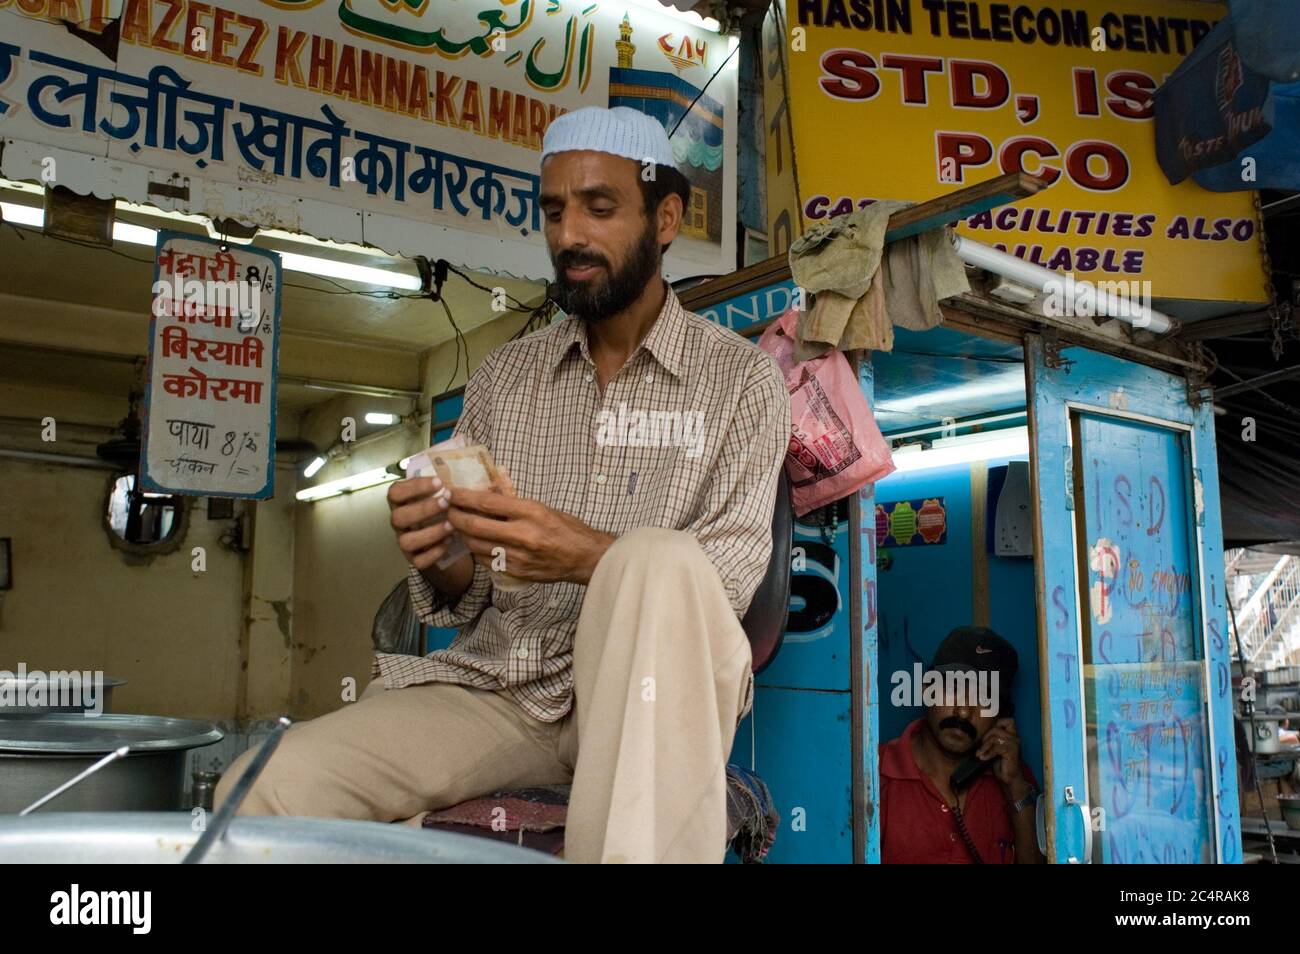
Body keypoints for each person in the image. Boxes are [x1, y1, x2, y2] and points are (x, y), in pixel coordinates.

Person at [214, 106, 790, 864]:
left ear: (667, 218)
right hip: (501, 694)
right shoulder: (505, 378)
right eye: (554, 211)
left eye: (600, 207)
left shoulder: (742, 379)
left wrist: (584, 554)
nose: (570, 236)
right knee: (258, 788)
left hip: (647, 699)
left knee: (659, 559)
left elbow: (729, 581)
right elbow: (467, 594)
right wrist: (442, 552)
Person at [880, 626, 1045, 863]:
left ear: (1001, 717)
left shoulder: (1015, 780)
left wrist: (1015, 787)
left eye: (983, 699)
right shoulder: (875, 773)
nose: (964, 712)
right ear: (927, 690)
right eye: (954, 689)